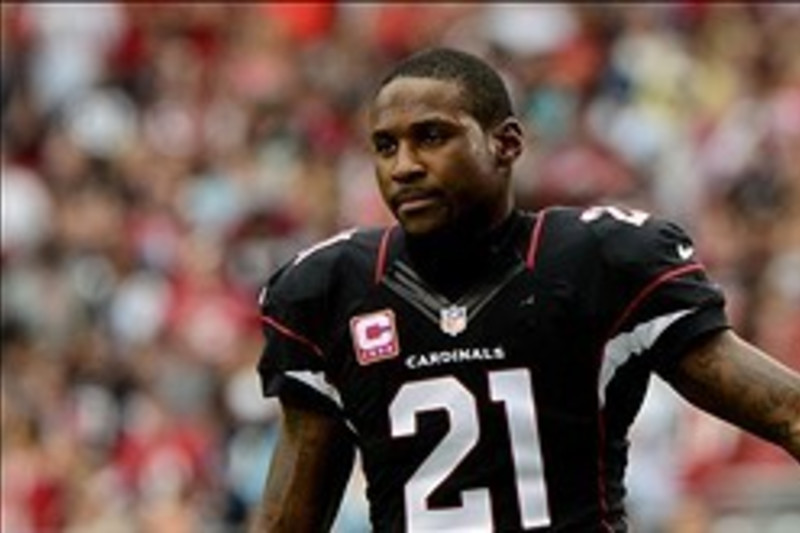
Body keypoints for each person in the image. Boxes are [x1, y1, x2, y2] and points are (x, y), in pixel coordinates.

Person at [250, 48, 800, 532]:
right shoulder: (328, 289)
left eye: (432, 136)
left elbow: (786, 411)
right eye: (385, 146)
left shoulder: (599, 261)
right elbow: (287, 522)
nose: (405, 167)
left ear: (506, 142)